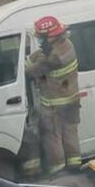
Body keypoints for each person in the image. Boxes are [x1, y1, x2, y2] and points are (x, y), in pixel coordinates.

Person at [19, 16, 81, 177]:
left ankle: (57, 169)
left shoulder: (54, 57)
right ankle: (74, 164)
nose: (39, 40)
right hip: (72, 100)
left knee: (53, 136)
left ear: (51, 36)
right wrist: (36, 56)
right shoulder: (67, 45)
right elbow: (42, 55)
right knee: (70, 132)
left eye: (41, 37)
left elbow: (32, 72)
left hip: (55, 104)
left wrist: (24, 64)